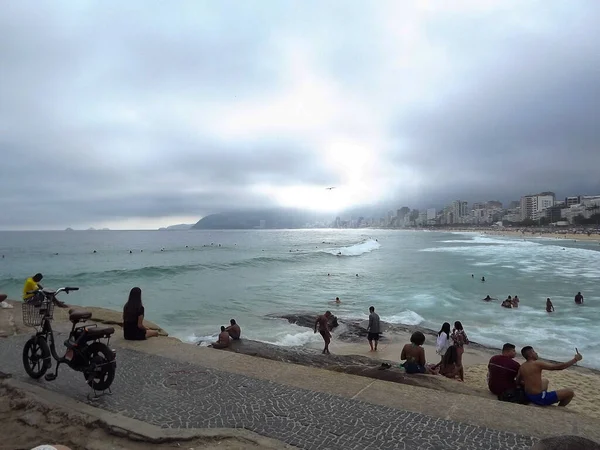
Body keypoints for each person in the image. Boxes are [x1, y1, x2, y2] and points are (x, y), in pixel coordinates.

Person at [517, 346, 581, 406]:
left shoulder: (522, 366)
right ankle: (559, 409)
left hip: (529, 395)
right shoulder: (537, 363)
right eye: (534, 351)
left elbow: (518, 381)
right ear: (530, 355)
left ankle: (545, 397)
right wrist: (575, 360)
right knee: (570, 392)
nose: (536, 353)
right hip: (538, 398)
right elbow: (558, 367)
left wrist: (530, 384)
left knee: (545, 381)